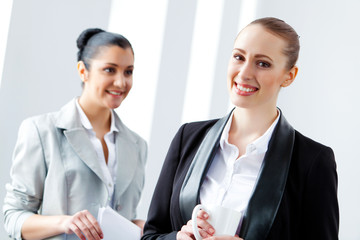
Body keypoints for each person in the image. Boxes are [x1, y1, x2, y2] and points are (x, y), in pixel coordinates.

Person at [142, 17, 339, 240]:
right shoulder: (189, 137)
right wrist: (178, 238)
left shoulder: (312, 161)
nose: (244, 73)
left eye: (263, 63)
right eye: (239, 57)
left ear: (289, 76)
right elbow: (151, 235)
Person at [3, 28, 147, 240]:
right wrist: (65, 222)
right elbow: (13, 218)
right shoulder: (41, 131)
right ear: (83, 71)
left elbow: (120, 216)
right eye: (110, 70)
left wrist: (139, 225)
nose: (121, 82)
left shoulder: (137, 145)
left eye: (128, 71)